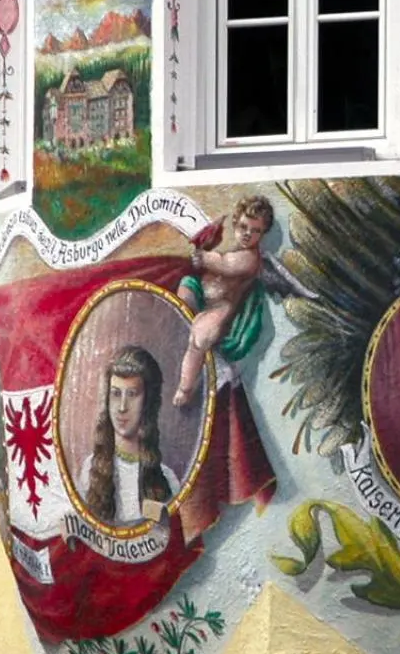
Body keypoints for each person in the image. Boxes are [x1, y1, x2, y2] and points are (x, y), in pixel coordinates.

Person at [173, 196, 272, 408]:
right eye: (244, 226)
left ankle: (185, 388)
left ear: (263, 233)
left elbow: (225, 264)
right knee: (184, 288)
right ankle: (183, 337)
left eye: (256, 231)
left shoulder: (250, 258)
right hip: (202, 294)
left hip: (221, 306)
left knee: (200, 336)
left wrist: (205, 257)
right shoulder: (232, 244)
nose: (248, 233)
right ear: (236, 223)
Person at [77, 345, 180, 527]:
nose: (122, 407)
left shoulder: (168, 481)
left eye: (132, 394)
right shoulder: (89, 472)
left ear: (147, 402)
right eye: (116, 394)